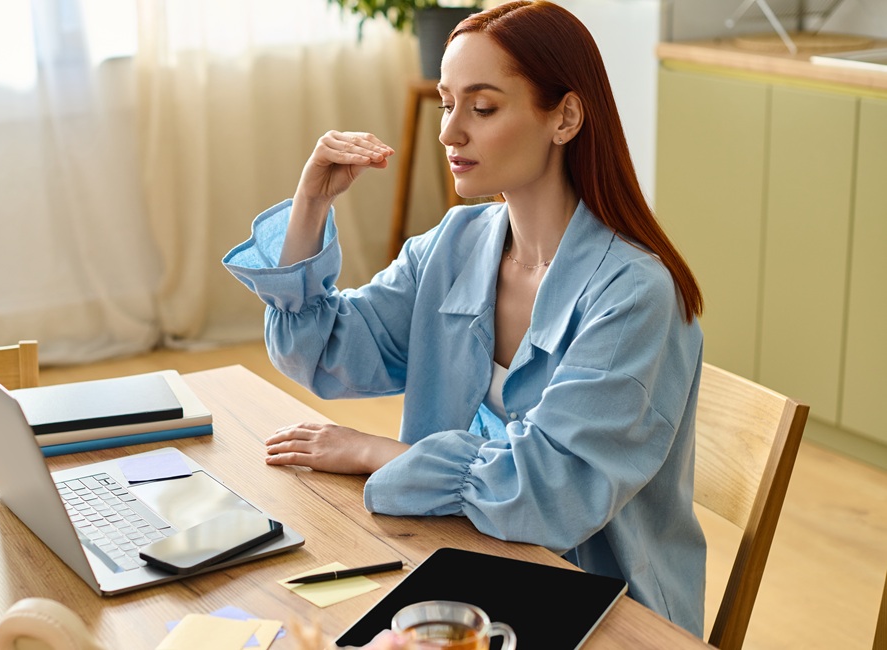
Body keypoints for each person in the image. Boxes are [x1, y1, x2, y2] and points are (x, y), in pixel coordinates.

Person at [223, 0, 706, 637]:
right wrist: (311, 201)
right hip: (466, 559)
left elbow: (548, 496)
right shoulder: (457, 243)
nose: (450, 131)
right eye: (449, 104)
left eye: (481, 108)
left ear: (564, 117)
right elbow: (325, 352)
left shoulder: (635, 292)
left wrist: (379, 452)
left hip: (606, 609)